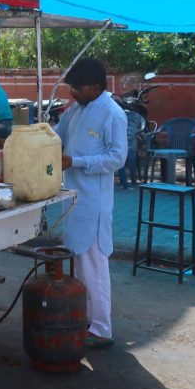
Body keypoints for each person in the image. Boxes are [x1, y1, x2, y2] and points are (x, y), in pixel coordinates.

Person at [53, 58, 127, 349]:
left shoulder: (113, 114)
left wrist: (77, 161)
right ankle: (84, 318)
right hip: (73, 199)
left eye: (78, 88)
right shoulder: (76, 110)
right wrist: (25, 136)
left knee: (94, 266)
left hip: (94, 202)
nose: (72, 93)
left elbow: (117, 159)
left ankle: (101, 328)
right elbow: (55, 136)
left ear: (96, 87)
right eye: (71, 87)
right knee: (79, 263)